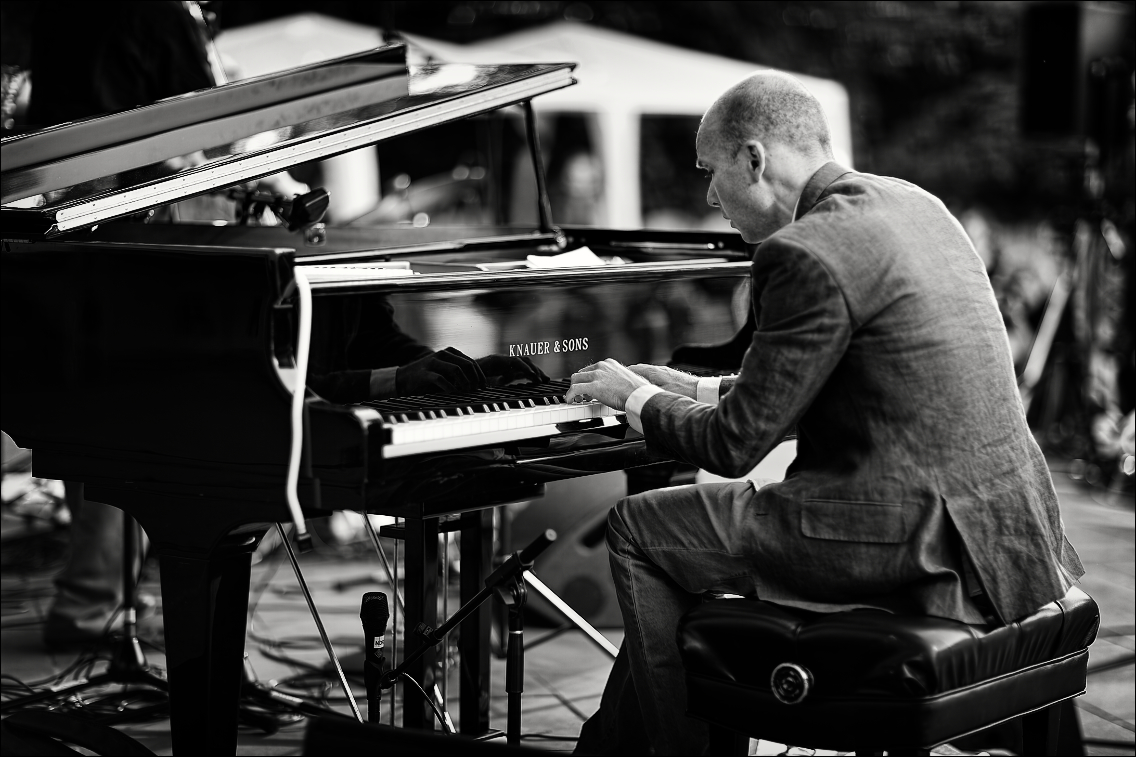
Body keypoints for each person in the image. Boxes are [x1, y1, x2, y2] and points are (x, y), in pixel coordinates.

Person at [565, 71, 1084, 755]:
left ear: (754, 158)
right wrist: (681, 389)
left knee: (638, 526)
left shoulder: (800, 251)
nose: (708, 195)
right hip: (1005, 520)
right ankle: (613, 745)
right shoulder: (916, 205)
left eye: (710, 171)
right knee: (685, 551)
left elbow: (732, 446)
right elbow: (833, 388)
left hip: (905, 533)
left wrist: (630, 398)